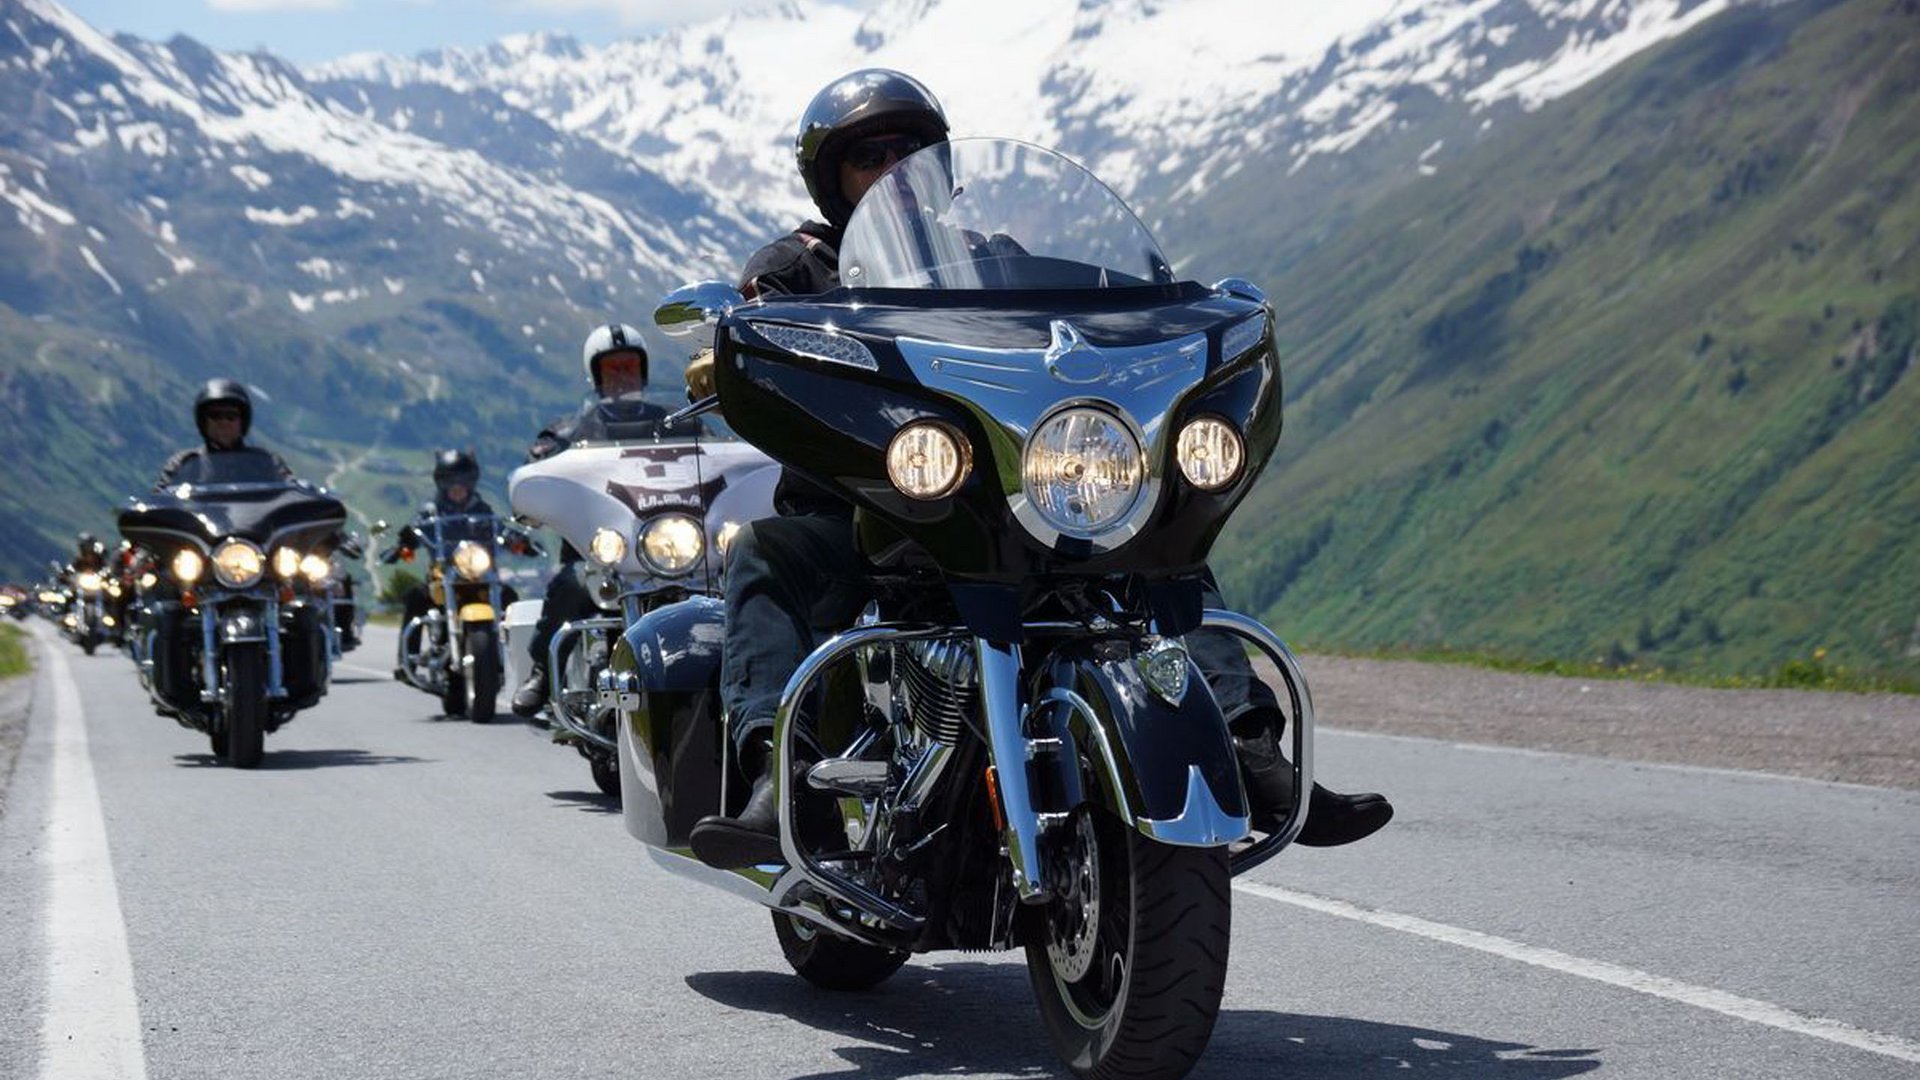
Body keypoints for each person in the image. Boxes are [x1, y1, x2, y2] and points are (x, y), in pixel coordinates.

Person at [687, 70, 1392, 869]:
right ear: (832, 180)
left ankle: (1250, 747)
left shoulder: (998, 263)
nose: (893, 172)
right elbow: (753, 346)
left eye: (909, 152)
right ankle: (776, 787)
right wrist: (729, 350)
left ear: (942, 170)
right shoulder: (792, 271)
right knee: (766, 555)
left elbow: (1075, 339)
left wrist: (1175, 322)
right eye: (869, 158)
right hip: (865, 510)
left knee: (1166, 549)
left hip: (1005, 506)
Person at [510, 324, 675, 716]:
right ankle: (542, 673)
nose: (622, 375)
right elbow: (540, 462)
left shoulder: (672, 422)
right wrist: (542, 465)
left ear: (643, 371)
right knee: (569, 585)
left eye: (629, 366)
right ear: (597, 376)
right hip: (597, 552)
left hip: (664, 549)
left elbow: (712, 457)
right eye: (613, 368)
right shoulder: (570, 431)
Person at [390, 449, 516, 631]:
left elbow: (498, 528)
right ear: (441, 484)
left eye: (463, 481)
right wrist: (406, 541)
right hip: (443, 574)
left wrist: (514, 539)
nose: (457, 487)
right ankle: (409, 655)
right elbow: (418, 528)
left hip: (479, 574)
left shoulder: (482, 510)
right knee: (416, 598)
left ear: (471, 483)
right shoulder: (431, 512)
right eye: (450, 482)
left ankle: (517, 648)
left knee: (509, 596)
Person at [155, 379, 294, 488]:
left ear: (242, 421)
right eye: (215, 415)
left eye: (231, 416)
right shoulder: (183, 464)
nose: (224, 422)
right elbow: (159, 502)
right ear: (204, 422)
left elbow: (294, 493)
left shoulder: (267, 463)